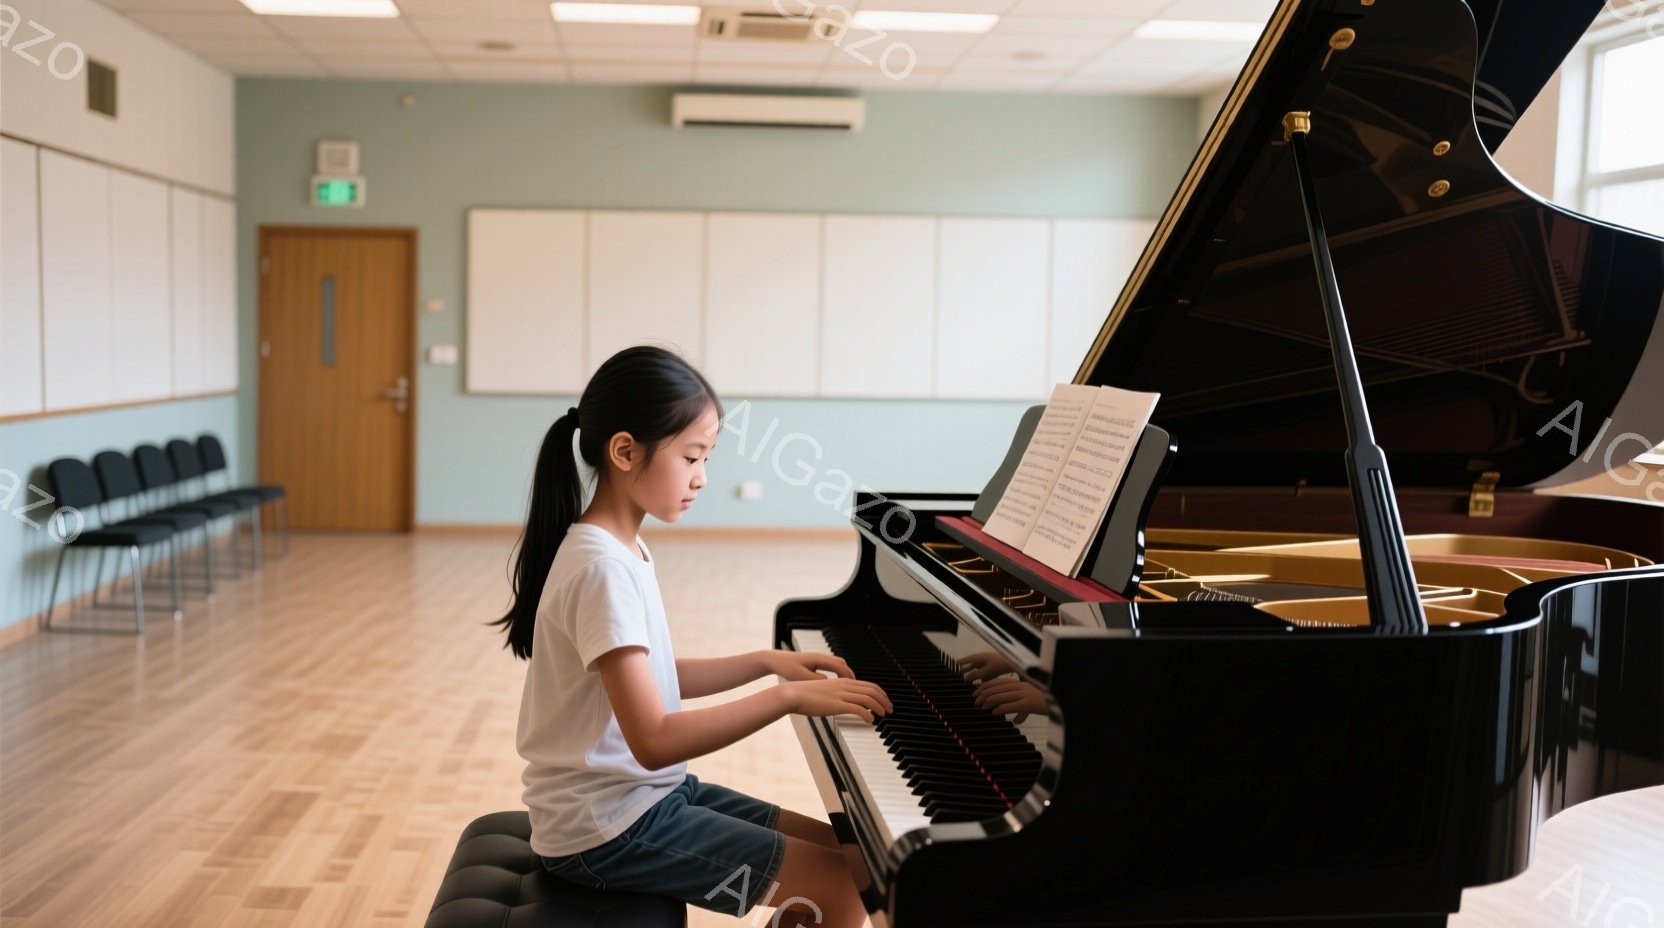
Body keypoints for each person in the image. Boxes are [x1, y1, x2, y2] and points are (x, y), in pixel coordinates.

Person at [492, 345, 891, 928]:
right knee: (839, 888)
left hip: (642, 800)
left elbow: (650, 680)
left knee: (854, 858)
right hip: (605, 834)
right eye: (692, 457)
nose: (702, 478)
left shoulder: (618, 547)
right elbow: (653, 737)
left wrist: (765, 662)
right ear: (625, 451)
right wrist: (786, 699)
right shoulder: (600, 566)